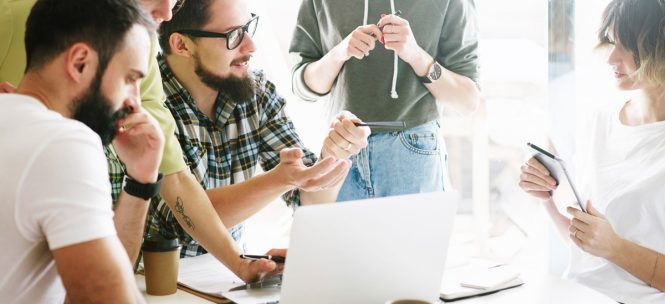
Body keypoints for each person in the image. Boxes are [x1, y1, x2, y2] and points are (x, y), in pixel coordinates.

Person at [0, 0, 283, 282]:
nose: (168, 12)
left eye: (175, 0)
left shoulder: (138, 47)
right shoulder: (10, 16)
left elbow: (174, 175)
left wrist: (238, 263)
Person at [149, 0, 370, 256]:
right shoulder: (145, 100)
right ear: (182, 45)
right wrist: (281, 178)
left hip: (228, 275)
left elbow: (308, 199)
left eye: (247, 27)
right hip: (153, 282)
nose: (250, 45)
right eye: (233, 35)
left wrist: (335, 152)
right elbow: (179, 221)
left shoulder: (256, 92)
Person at [0, 0, 160, 302]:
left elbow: (96, 278)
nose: (134, 103)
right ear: (80, 63)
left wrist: (141, 179)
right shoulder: (62, 143)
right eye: (130, 79)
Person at [519, 0, 665, 302]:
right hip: (578, 293)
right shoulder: (601, 120)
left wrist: (615, 247)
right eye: (612, 42)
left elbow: (606, 248)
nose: (611, 57)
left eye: (627, 46)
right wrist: (546, 198)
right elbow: (587, 252)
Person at [289, 0, 481, 201]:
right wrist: (339, 53)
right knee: (338, 233)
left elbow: (467, 100)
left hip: (413, 152)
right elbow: (301, 86)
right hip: (339, 147)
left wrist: (416, 55)